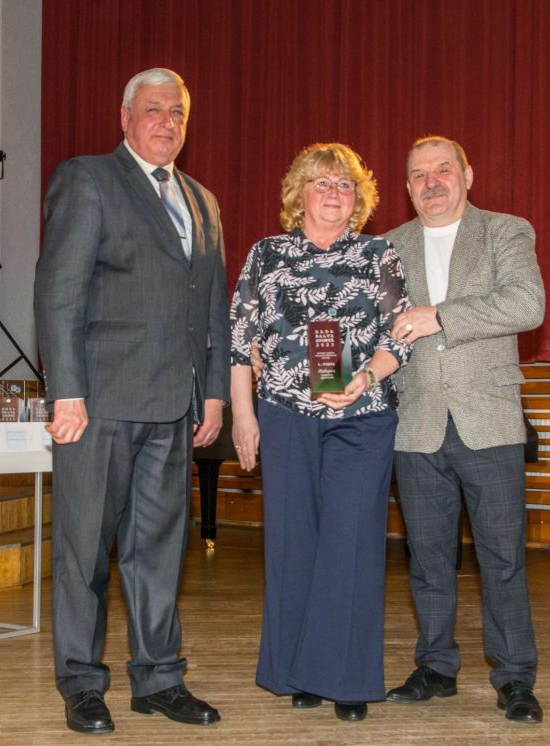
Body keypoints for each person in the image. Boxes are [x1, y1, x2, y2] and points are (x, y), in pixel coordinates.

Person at [34, 67, 229, 735]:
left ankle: (159, 679)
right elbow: (57, 293)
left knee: (159, 553)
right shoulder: (88, 180)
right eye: (153, 109)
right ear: (125, 118)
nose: (166, 122)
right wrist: (66, 392)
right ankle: (82, 683)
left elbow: (212, 307)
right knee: (85, 551)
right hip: (99, 404)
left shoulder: (203, 200)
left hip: (174, 405)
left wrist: (213, 394)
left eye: (177, 112)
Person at [229, 143, 411, 722]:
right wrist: (243, 415)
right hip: (285, 414)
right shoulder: (267, 254)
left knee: (352, 543)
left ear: (359, 199)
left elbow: (399, 337)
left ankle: (346, 677)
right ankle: (298, 672)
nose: (334, 193)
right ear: (298, 193)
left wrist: (365, 377)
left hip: (363, 417)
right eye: (322, 182)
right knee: (293, 544)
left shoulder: (379, 254)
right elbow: (239, 341)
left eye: (345, 185)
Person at [384, 136, 546, 723]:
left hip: (490, 421)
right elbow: (369, 327)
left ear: (467, 175)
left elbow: (527, 304)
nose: (431, 182)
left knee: (503, 559)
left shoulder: (506, 231)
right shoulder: (386, 247)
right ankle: (435, 667)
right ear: (407, 187)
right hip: (415, 425)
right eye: (418, 174)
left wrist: (440, 318)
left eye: (443, 169)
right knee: (427, 560)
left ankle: (515, 677)